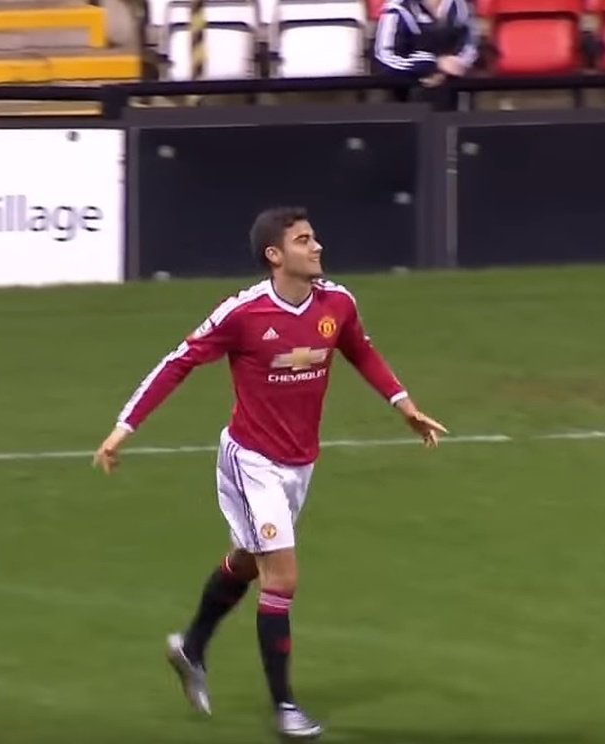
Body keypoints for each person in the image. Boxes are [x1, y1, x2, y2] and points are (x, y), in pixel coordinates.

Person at [93, 206, 447, 739]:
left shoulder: (337, 303)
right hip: (251, 461)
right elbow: (178, 362)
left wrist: (404, 405)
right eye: (304, 240)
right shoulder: (244, 313)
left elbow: (360, 351)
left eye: (315, 237)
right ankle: (285, 708)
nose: (317, 246)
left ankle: (190, 647)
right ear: (274, 255)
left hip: (299, 462)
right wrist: (125, 428)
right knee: (282, 576)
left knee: (247, 561)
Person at [373, 0, 478, 108]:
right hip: (405, 96)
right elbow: (385, 57)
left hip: (452, 92)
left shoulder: (460, 6)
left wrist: (457, 64)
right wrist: (433, 64)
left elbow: (470, 44)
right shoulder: (396, 9)